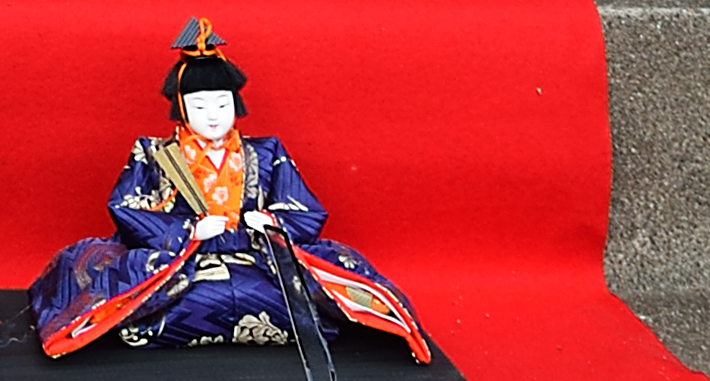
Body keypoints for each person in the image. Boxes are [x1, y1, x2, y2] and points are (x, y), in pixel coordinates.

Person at [29, 23, 441, 359]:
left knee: (297, 292)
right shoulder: (153, 153)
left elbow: (307, 210)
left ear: (236, 105)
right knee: (131, 284)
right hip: (184, 261)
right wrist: (188, 231)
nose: (213, 116)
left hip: (253, 255)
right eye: (202, 106)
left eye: (222, 104)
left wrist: (272, 222)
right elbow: (126, 206)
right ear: (182, 107)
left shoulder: (266, 152)